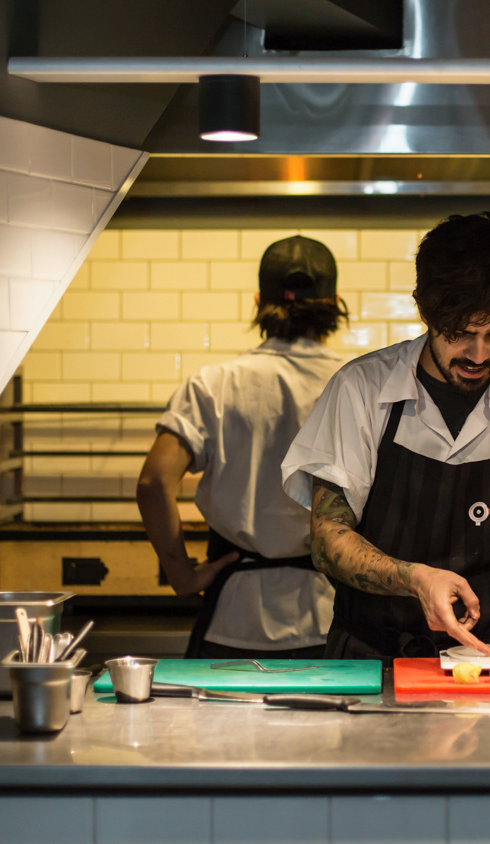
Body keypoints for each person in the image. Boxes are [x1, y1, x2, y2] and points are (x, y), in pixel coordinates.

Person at [281, 212, 490, 660]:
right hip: (368, 661)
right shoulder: (361, 391)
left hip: (488, 662)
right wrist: (415, 579)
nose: (479, 354)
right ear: (424, 309)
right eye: (460, 334)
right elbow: (327, 537)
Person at [137, 235, 347, 660]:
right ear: (333, 305)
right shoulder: (354, 384)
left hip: (233, 616)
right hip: (331, 615)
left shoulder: (212, 385)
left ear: (259, 302)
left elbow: (154, 481)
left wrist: (181, 576)